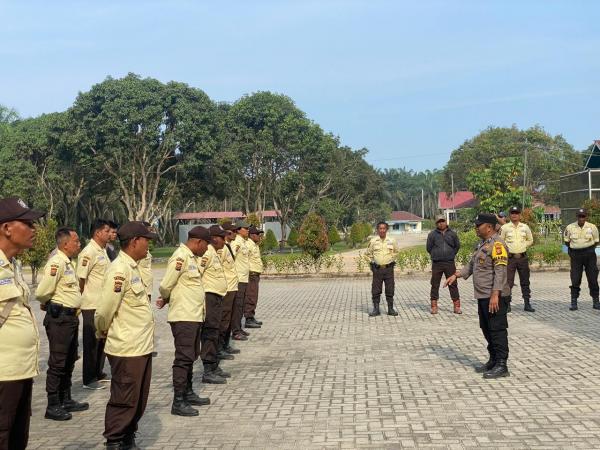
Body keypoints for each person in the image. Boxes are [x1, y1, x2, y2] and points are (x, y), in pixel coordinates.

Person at [95, 222, 157, 449]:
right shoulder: (119, 269)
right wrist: (102, 331)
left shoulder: (133, 267)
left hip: (140, 345)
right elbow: (104, 310)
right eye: (146, 240)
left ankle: (128, 438)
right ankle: (115, 441)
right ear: (134, 242)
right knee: (124, 399)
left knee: (137, 398)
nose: (148, 244)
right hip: (126, 347)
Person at [0, 198, 44, 449]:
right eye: (27, 223)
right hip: (3, 374)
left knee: (17, 436)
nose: (34, 229)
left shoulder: (12, 266)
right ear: (7, 228)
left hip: (18, 372)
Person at [445, 213, 511, 379]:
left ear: (488, 227)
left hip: (494, 295)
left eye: (478, 225)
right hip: (483, 295)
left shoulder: (497, 245)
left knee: (497, 329)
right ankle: (493, 359)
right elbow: (472, 265)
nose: (476, 228)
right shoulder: (482, 244)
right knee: (486, 328)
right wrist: (457, 275)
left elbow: (500, 271)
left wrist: (496, 294)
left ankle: (502, 365)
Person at [36, 227, 89, 420]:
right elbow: (42, 292)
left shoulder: (68, 263)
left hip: (71, 318)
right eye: (76, 241)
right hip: (60, 319)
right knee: (58, 362)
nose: (79, 244)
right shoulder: (56, 263)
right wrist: (49, 303)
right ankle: (53, 404)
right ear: (65, 244)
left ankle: (66, 398)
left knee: (69, 359)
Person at [157, 226, 211, 417]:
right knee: (183, 358)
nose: (206, 250)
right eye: (206, 245)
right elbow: (165, 285)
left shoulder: (191, 258)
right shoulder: (180, 257)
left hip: (193, 315)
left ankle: (187, 392)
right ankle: (178, 401)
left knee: (191, 355)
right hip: (183, 316)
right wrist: (165, 297)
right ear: (198, 242)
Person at [78, 219, 111, 390]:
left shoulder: (102, 250)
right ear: (97, 233)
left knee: (101, 340)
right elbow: (81, 279)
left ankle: (98, 372)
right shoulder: (88, 251)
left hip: (102, 303)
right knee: (91, 343)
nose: (109, 234)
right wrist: (81, 300)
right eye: (106, 231)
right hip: (91, 304)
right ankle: (88, 378)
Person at [199, 225, 230, 384]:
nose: (224, 241)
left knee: (215, 331)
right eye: (222, 237)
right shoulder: (206, 253)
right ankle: (208, 369)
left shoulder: (214, 253)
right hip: (209, 297)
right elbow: (198, 274)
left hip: (216, 297)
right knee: (210, 332)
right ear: (214, 238)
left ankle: (214, 365)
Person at [564, 208, 600, 311]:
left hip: (589, 255)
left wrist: (588, 249)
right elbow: (567, 242)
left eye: (583, 216)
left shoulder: (592, 227)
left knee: (593, 278)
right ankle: (574, 302)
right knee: (575, 279)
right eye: (579, 216)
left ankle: (596, 301)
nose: (581, 218)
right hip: (575, 255)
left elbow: (596, 241)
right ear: (577, 217)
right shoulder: (570, 227)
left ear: (586, 217)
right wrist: (574, 250)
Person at [500, 206, 535, 312]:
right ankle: (507, 304)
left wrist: (523, 246)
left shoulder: (525, 227)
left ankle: (527, 303)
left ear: (519, 215)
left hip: (522, 258)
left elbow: (530, 240)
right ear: (510, 215)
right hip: (510, 259)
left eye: (516, 213)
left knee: (525, 281)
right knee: (508, 282)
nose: (514, 215)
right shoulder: (505, 228)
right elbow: (501, 241)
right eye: (512, 213)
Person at [426, 215, 461, 314]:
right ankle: (434, 306)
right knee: (434, 284)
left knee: (453, 284)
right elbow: (429, 248)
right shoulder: (432, 235)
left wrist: (450, 254)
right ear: (436, 223)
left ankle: (457, 306)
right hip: (437, 263)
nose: (441, 223)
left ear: (446, 222)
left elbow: (457, 246)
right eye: (439, 222)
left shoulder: (453, 234)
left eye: (443, 221)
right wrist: (436, 254)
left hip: (449, 262)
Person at [365, 221, 399, 316]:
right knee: (376, 289)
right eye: (380, 228)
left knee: (390, 288)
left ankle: (390, 309)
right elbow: (367, 254)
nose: (382, 230)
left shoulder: (392, 240)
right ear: (377, 230)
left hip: (388, 269)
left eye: (384, 228)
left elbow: (396, 252)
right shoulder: (373, 241)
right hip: (377, 269)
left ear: (387, 230)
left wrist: (392, 259)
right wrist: (372, 262)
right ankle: (376, 309)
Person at [217, 222, 241, 358]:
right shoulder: (221, 248)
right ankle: (220, 348)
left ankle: (225, 345)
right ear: (226, 232)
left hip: (232, 286)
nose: (234, 234)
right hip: (226, 288)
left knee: (229, 319)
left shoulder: (228, 246)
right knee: (224, 320)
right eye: (232, 231)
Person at [231, 220, 251, 341]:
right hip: (238, 278)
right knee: (237, 306)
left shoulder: (243, 242)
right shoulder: (236, 243)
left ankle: (238, 328)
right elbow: (230, 258)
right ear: (238, 230)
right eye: (245, 228)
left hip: (244, 278)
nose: (248, 230)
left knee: (241, 305)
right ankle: (236, 331)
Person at [244, 226, 264, 328]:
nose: (259, 236)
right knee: (250, 296)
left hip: (255, 275)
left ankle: (251, 316)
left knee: (253, 296)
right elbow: (244, 260)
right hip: (251, 275)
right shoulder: (248, 245)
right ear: (251, 235)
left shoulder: (254, 245)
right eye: (257, 234)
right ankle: (248, 318)